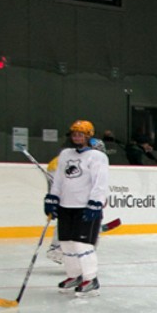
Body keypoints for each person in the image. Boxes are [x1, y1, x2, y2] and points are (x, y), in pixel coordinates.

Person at [44, 120, 109, 297]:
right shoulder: (65, 154)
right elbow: (58, 180)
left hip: (85, 207)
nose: (77, 137)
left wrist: (96, 202)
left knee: (82, 244)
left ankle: (90, 278)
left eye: (81, 134)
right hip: (66, 205)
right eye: (74, 134)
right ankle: (74, 276)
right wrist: (52, 198)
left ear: (89, 136)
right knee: (66, 244)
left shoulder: (97, 157)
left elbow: (100, 182)